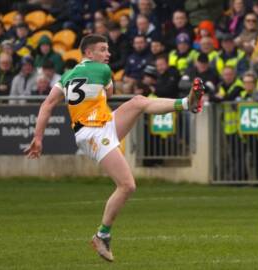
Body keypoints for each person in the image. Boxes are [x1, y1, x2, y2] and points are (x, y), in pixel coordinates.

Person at [24, 34, 205, 262]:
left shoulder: (67, 76)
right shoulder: (103, 71)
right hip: (94, 132)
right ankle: (102, 235)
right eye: (103, 49)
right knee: (127, 185)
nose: (108, 54)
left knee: (139, 101)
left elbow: (47, 105)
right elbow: (110, 94)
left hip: (98, 126)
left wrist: (38, 138)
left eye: (108, 49)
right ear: (89, 53)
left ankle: (188, 103)